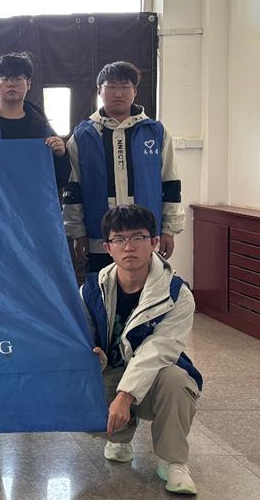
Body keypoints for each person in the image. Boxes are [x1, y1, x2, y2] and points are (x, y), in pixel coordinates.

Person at [81, 204, 201, 495]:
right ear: (108, 247)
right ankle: (120, 439)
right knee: (78, 386)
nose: (129, 247)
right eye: (119, 239)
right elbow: (81, 337)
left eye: (138, 237)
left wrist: (125, 395)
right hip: (111, 370)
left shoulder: (176, 294)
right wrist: (91, 354)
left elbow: (158, 350)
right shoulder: (92, 289)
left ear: (154, 242)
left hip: (156, 376)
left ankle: (174, 461)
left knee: (177, 380)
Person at [63, 61, 184, 274]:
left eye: (125, 86)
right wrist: (77, 232)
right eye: (111, 86)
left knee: (146, 288)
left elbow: (171, 183)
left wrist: (169, 230)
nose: (118, 93)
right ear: (99, 91)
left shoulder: (155, 132)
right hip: (100, 236)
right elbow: (73, 188)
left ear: (134, 91)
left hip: (144, 234)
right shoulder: (82, 136)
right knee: (102, 289)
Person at [0, 52, 70, 188]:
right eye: (5, 79)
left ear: (28, 84)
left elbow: (60, 180)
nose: (11, 84)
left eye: (18, 78)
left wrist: (61, 155)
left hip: (29, 200)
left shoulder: (43, 128)